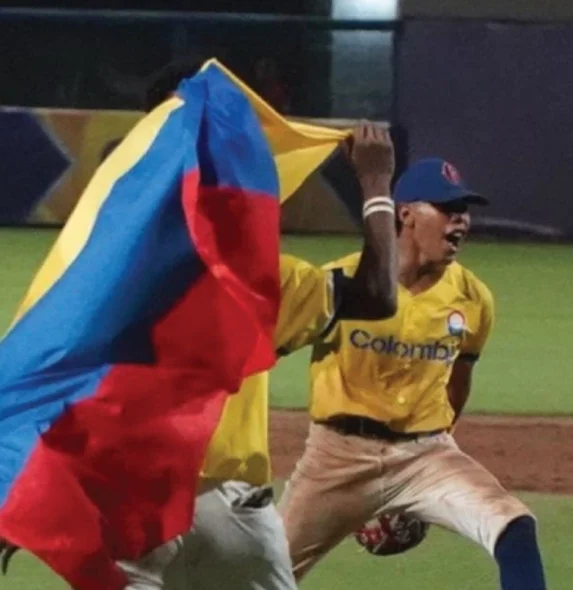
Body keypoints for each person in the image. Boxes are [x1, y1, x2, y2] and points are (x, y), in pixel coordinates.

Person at [78, 67, 399, 589]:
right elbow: (379, 295)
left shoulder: (104, 265)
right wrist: (376, 185)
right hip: (233, 513)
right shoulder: (258, 275)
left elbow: (59, 380)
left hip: (135, 501)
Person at [276, 158, 547, 590]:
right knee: (262, 576)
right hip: (335, 459)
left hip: (425, 456)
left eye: (464, 210)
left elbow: (459, 380)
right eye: (447, 208)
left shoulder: (473, 298)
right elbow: (271, 348)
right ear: (405, 214)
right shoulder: (341, 281)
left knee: (513, 526)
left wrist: (441, 443)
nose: (460, 220)